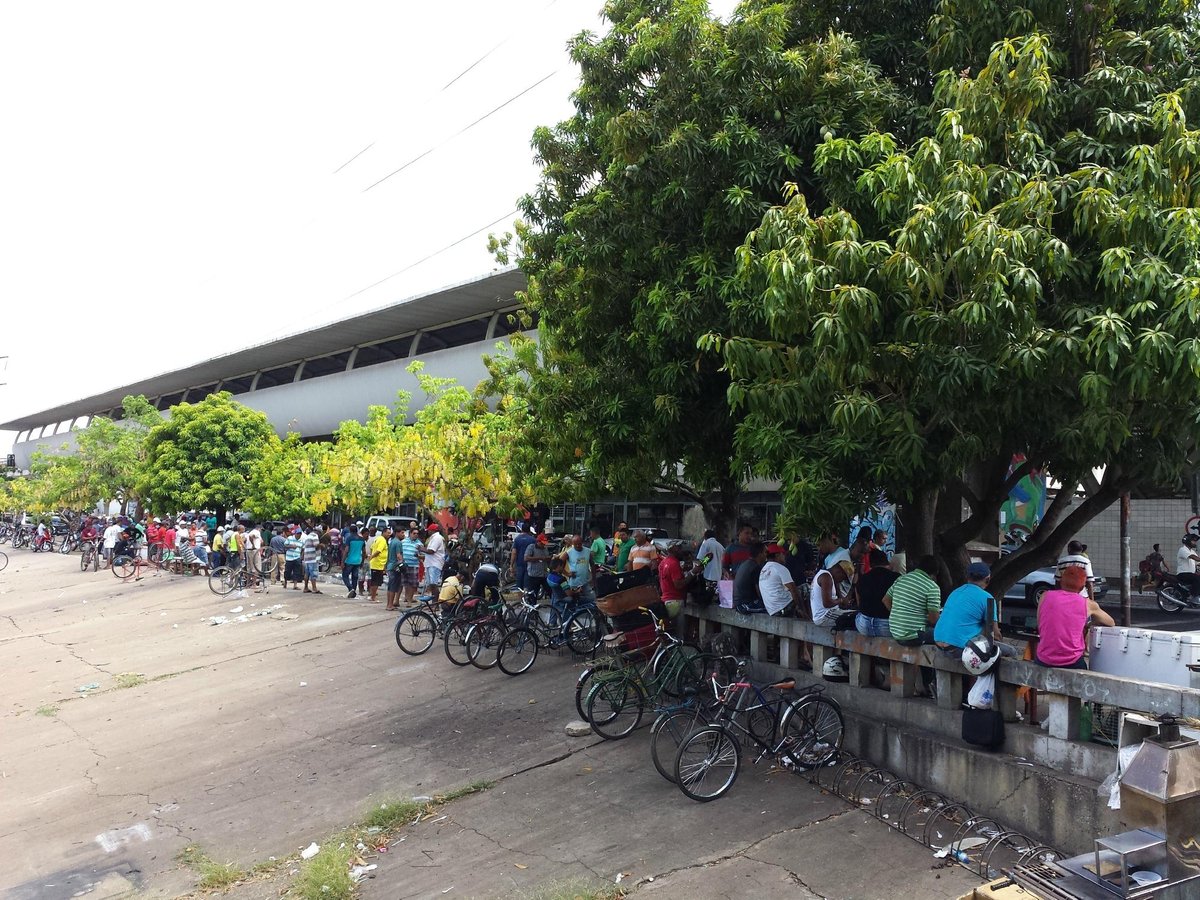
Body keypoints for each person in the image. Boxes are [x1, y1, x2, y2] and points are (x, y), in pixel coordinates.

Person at [1036, 564, 1115, 669]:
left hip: (1044, 659)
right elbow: (1110, 622)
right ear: (1083, 587)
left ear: (1061, 581)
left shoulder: (1044, 596)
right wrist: (1090, 623)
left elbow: (1039, 623)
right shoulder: (1088, 604)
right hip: (1072, 662)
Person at [933, 561, 1017, 656]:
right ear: (987, 579)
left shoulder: (955, 592)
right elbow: (994, 634)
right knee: (1011, 651)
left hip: (938, 641)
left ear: (968, 577)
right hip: (958, 647)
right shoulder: (987, 598)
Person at [886, 555, 943, 645]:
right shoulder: (932, 587)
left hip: (895, 632)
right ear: (935, 572)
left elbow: (886, 600)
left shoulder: (902, 578)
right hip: (914, 636)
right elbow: (934, 620)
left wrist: (899, 613)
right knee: (946, 634)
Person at [855, 549, 900, 636]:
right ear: (887, 562)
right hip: (887, 626)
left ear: (871, 564)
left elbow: (859, 604)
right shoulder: (896, 578)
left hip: (864, 625)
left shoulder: (863, 579)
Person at [759, 543, 801, 616]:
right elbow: (793, 589)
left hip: (772, 611)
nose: (785, 557)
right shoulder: (779, 568)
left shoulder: (764, 569)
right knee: (805, 588)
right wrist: (800, 608)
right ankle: (808, 617)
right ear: (777, 555)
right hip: (784, 607)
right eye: (783, 554)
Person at [810, 556, 854, 626]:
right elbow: (827, 603)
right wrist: (842, 600)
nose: (841, 581)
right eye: (843, 578)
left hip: (828, 614)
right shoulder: (826, 577)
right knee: (856, 619)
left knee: (857, 615)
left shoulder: (826, 575)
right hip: (824, 616)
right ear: (839, 571)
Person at [658, 541, 696, 618]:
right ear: (674, 549)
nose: (681, 550)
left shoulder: (663, 562)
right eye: (679, 547)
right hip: (675, 602)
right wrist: (693, 573)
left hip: (666, 600)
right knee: (680, 629)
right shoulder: (674, 563)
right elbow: (678, 585)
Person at [733, 541, 768, 612]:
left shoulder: (745, 564)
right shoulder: (755, 567)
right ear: (760, 554)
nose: (766, 555)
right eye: (765, 552)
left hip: (739, 602)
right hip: (745, 604)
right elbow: (759, 591)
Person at [399, 525, 424, 607]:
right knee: (402, 583)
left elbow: (423, 556)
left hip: (414, 565)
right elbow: (399, 552)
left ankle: (409, 601)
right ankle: (399, 599)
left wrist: (418, 556)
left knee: (412, 584)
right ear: (410, 534)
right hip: (404, 565)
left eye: (417, 533)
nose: (416, 535)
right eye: (414, 533)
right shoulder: (403, 542)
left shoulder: (419, 544)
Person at [565, 533, 595, 603]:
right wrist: (567, 574)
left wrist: (593, 578)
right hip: (574, 584)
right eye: (576, 544)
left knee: (592, 599)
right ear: (573, 544)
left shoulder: (587, 551)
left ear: (582, 542)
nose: (578, 546)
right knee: (575, 601)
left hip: (585, 582)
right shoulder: (569, 552)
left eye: (579, 543)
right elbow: (558, 564)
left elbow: (592, 565)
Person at [524, 533, 552, 601]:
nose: (543, 545)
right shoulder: (531, 547)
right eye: (542, 543)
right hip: (534, 575)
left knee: (550, 591)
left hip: (544, 574)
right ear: (538, 541)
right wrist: (541, 558)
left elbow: (546, 560)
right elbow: (526, 558)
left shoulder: (545, 549)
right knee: (533, 595)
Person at [385, 525, 406, 610]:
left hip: (390, 566)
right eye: (402, 533)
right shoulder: (398, 543)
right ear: (397, 533)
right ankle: (390, 605)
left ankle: (389, 604)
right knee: (393, 587)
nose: (403, 534)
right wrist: (402, 565)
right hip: (395, 567)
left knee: (390, 586)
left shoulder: (392, 541)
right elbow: (398, 555)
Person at [341, 527, 366, 598]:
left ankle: (350, 588)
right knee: (355, 577)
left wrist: (342, 561)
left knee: (345, 575)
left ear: (350, 531)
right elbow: (364, 552)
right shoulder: (362, 539)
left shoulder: (349, 538)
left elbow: (346, 550)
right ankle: (354, 590)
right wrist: (362, 561)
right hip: (358, 561)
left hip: (349, 560)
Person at [365, 526, 387, 601]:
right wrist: (372, 556)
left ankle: (372, 595)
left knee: (374, 581)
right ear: (383, 533)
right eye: (388, 533)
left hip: (376, 563)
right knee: (376, 582)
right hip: (378, 564)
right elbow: (378, 551)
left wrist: (371, 556)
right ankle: (373, 597)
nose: (389, 535)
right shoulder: (382, 540)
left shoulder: (377, 539)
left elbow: (371, 548)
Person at [511, 525, 535, 591]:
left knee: (519, 585)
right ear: (529, 531)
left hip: (519, 564)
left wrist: (511, 565)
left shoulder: (517, 539)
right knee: (527, 584)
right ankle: (526, 599)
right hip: (530, 564)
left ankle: (520, 599)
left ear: (522, 530)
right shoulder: (532, 539)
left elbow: (514, 553)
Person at [424, 523, 447, 588]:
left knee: (433, 584)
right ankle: (433, 597)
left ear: (432, 530)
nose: (428, 532)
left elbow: (431, 551)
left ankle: (435, 597)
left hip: (434, 564)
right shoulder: (434, 537)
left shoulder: (437, 538)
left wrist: (421, 549)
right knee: (430, 584)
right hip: (431, 563)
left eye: (429, 530)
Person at [303, 527, 322, 594]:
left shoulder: (308, 536)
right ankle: (314, 588)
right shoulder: (315, 536)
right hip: (313, 558)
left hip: (307, 558)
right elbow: (316, 545)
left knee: (307, 573)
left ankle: (305, 587)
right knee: (313, 573)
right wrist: (322, 545)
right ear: (318, 532)